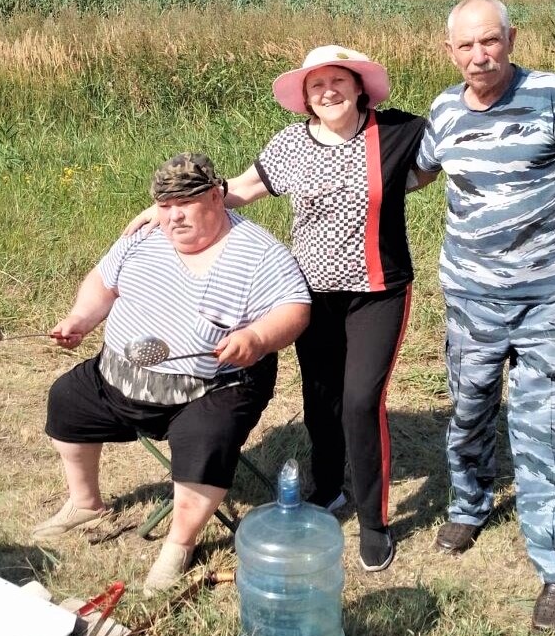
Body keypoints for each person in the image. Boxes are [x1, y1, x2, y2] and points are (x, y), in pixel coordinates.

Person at [126, 46, 433, 572]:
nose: (328, 91)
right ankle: (330, 487)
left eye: (339, 81)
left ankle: (375, 521)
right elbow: (240, 189)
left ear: (360, 86)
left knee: (360, 401)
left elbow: (435, 167)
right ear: (306, 97)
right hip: (310, 294)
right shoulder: (291, 144)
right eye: (317, 85)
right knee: (320, 399)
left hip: (378, 293)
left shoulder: (400, 131)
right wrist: (172, 207)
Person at [416, 0, 555, 632]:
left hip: (550, 299)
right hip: (471, 297)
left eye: (489, 40)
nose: (479, 54)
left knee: (551, 424)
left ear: (511, 38)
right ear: (450, 52)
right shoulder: (443, 111)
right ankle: (469, 505)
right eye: (466, 45)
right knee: (469, 409)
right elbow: (403, 173)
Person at [36, 153, 311, 596]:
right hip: (122, 378)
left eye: (186, 202)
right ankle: (86, 503)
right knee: (68, 398)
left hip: (213, 386)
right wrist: (81, 318)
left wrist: (257, 339)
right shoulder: (143, 236)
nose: (174, 215)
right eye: (164, 204)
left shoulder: (260, 253)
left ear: (219, 197)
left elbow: (294, 309)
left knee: (206, 440)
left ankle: (179, 544)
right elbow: (104, 283)